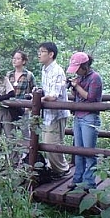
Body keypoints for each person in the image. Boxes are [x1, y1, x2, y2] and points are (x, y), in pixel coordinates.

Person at [66, 52, 102, 190]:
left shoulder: (95, 78)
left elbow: (91, 98)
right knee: (78, 151)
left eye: (78, 68)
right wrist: (73, 87)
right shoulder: (79, 78)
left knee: (88, 151)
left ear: (84, 66)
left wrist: (77, 86)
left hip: (90, 117)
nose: (77, 72)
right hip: (78, 116)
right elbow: (77, 97)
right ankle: (77, 179)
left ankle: (89, 182)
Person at [38, 42, 70, 179]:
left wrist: (37, 101)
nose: (39, 54)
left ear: (51, 54)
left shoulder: (57, 70)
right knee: (47, 142)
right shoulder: (44, 69)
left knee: (53, 143)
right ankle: (55, 168)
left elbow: (53, 96)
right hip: (47, 114)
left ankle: (62, 169)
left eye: (42, 51)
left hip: (57, 114)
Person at [7, 49, 36, 138]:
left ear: (23, 61)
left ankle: (27, 151)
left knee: (25, 132)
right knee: (10, 132)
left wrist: (28, 107)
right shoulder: (9, 74)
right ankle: (13, 151)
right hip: (10, 107)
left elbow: (34, 90)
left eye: (18, 58)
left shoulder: (28, 75)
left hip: (23, 108)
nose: (14, 60)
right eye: (14, 58)